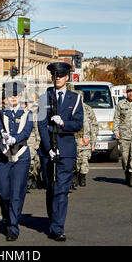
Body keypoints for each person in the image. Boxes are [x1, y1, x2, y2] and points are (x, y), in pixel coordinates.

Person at [37, 62, 83, 242]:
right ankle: (53, 218)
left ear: (67, 77)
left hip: (66, 149)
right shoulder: (44, 98)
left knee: (62, 190)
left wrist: (63, 123)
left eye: (61, 76)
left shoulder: (76, 98)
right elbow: (41, 125)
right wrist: (49, 148)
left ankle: (57, 227)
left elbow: (78, 123)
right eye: (55, 76)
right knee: (51, 188)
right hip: (48, 150)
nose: (58, 78)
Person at [0, 81, 33, 242]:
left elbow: (26, 132)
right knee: (3, 192)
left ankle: (13, 227)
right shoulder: (2, 115)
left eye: (16, 95)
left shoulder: (27, 114)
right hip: (4, 157)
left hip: (21, 157)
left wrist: (14, 138)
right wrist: (4, 133)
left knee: (16, 193)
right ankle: (6, 216)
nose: (13, 98)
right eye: (10, 95)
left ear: (21, 97)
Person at [72, 91, 98, 188]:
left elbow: (94, 126)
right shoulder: (70, 109)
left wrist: (93, 142)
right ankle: (74, 176)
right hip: (74, 140)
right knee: (74, 161)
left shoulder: (88, 109)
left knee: (84, 160)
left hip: (86, 140)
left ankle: (82, 177)